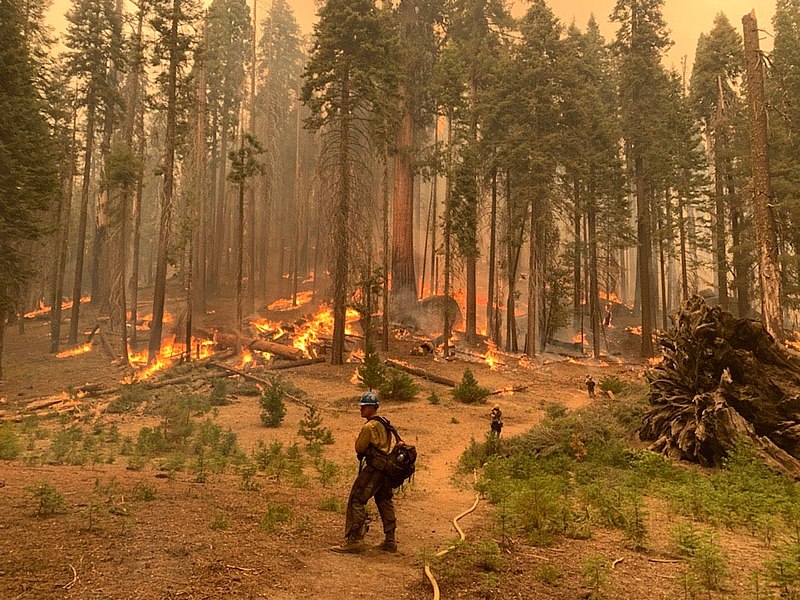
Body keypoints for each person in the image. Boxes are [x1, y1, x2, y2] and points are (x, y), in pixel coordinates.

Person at [330, 391, 398, 554]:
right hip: (385, 469)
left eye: (363, 407)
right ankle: (390, 540)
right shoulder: (384, 422)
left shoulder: (369, 427)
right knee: (384, 501)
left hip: (374, 468)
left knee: (356, 500)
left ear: (371, 408)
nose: (361, 410)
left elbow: (359, 447)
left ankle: (355, 540)